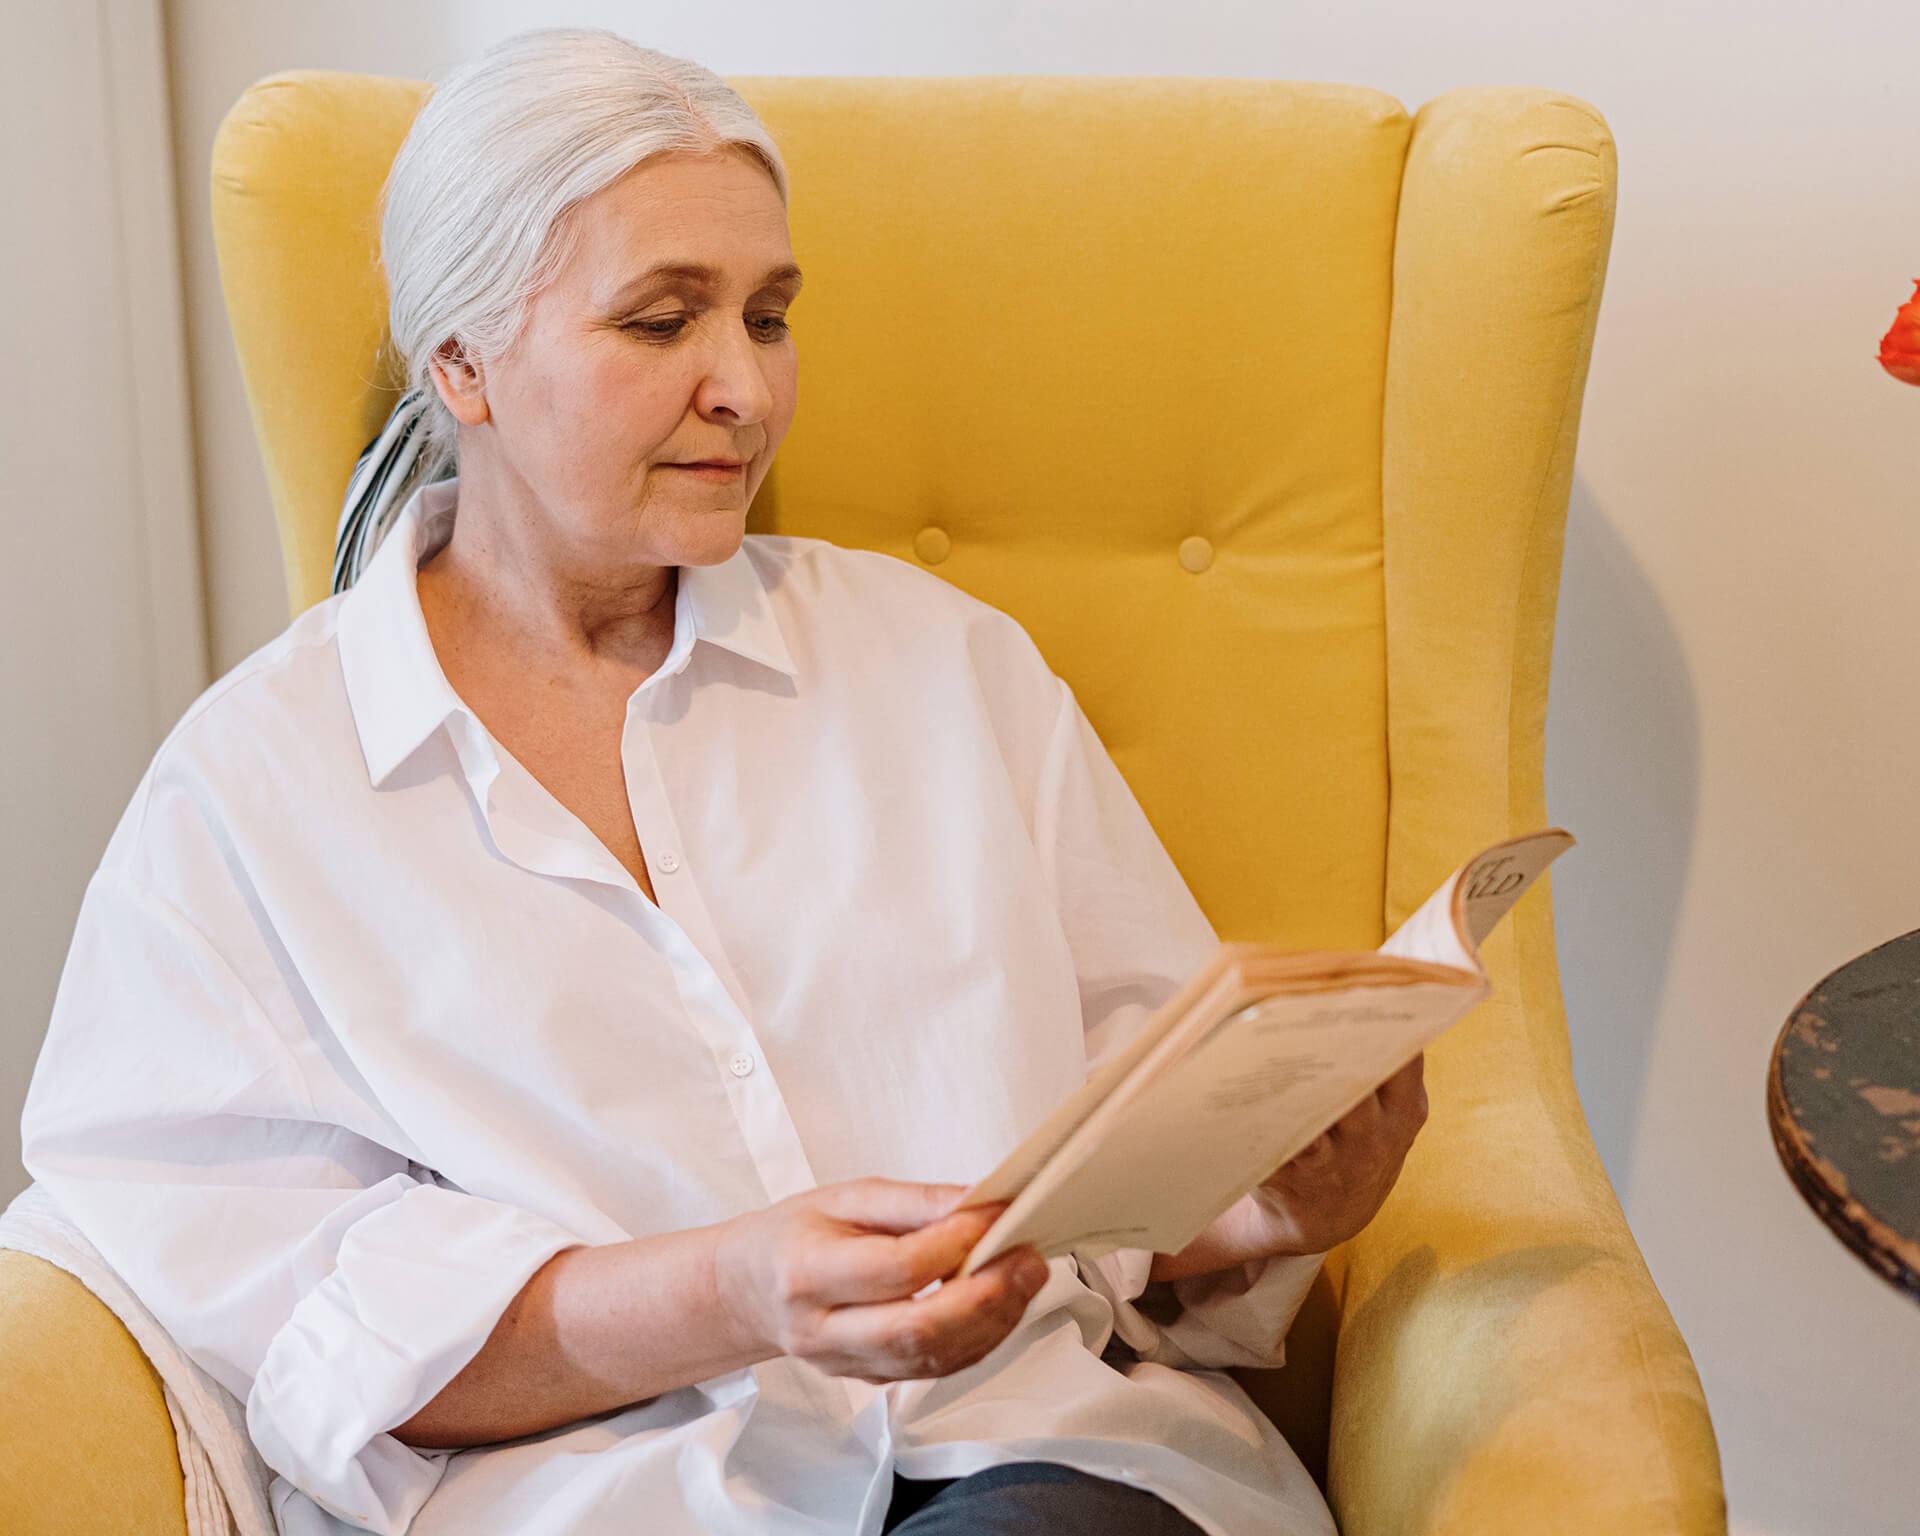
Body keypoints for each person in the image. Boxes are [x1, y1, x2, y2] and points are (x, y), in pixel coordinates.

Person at [21, 29, 1426, 1536]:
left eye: (768, 317)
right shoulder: (255, 791)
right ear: (461, 364)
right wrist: (732, 1293)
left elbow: (1124, 1173)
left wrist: (1268, 1208)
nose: (746, 390)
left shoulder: (943, 668)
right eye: (660, 322)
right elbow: (303, 1337)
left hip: (1035, 1466)